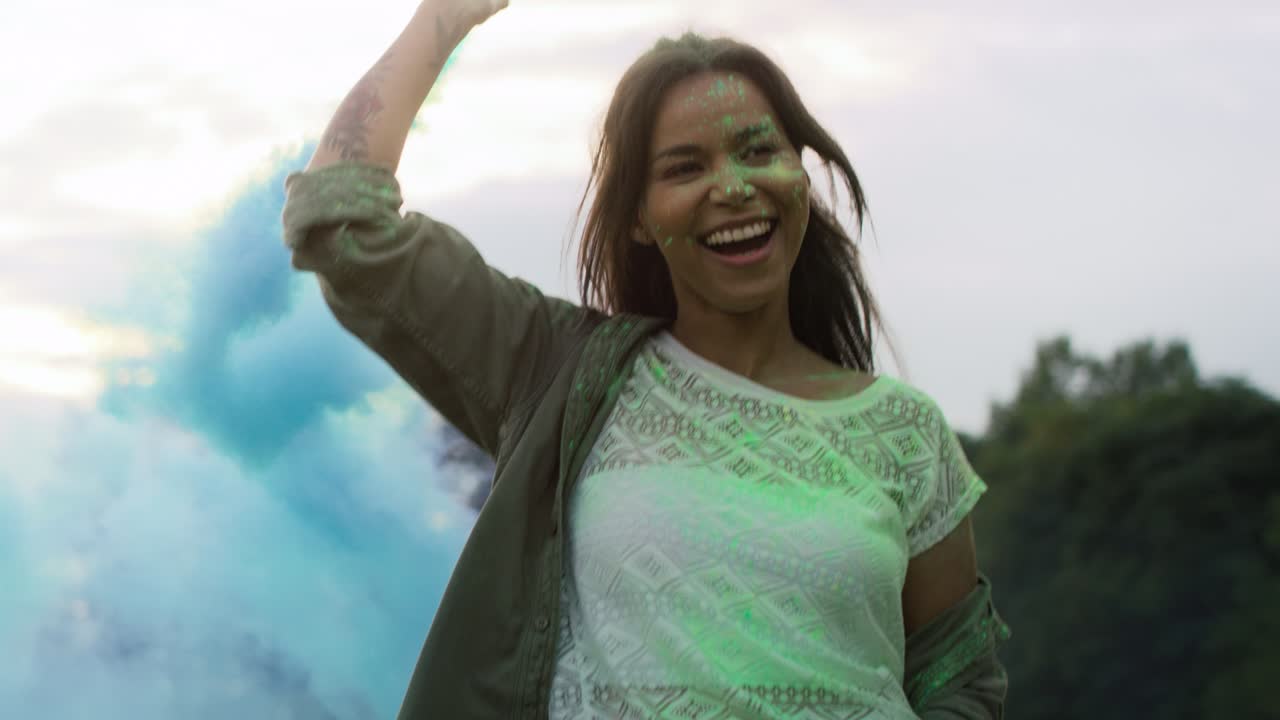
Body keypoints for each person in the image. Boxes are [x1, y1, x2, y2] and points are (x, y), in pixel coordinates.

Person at [281, 1, 1012, 718]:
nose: (732, 188)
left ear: (800, 172)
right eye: (685, 168)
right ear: (637, 216)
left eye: (759, 151)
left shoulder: (905, 434)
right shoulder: (558, 375)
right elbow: (340, 224)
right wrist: (443, 17)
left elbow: (961, 686)